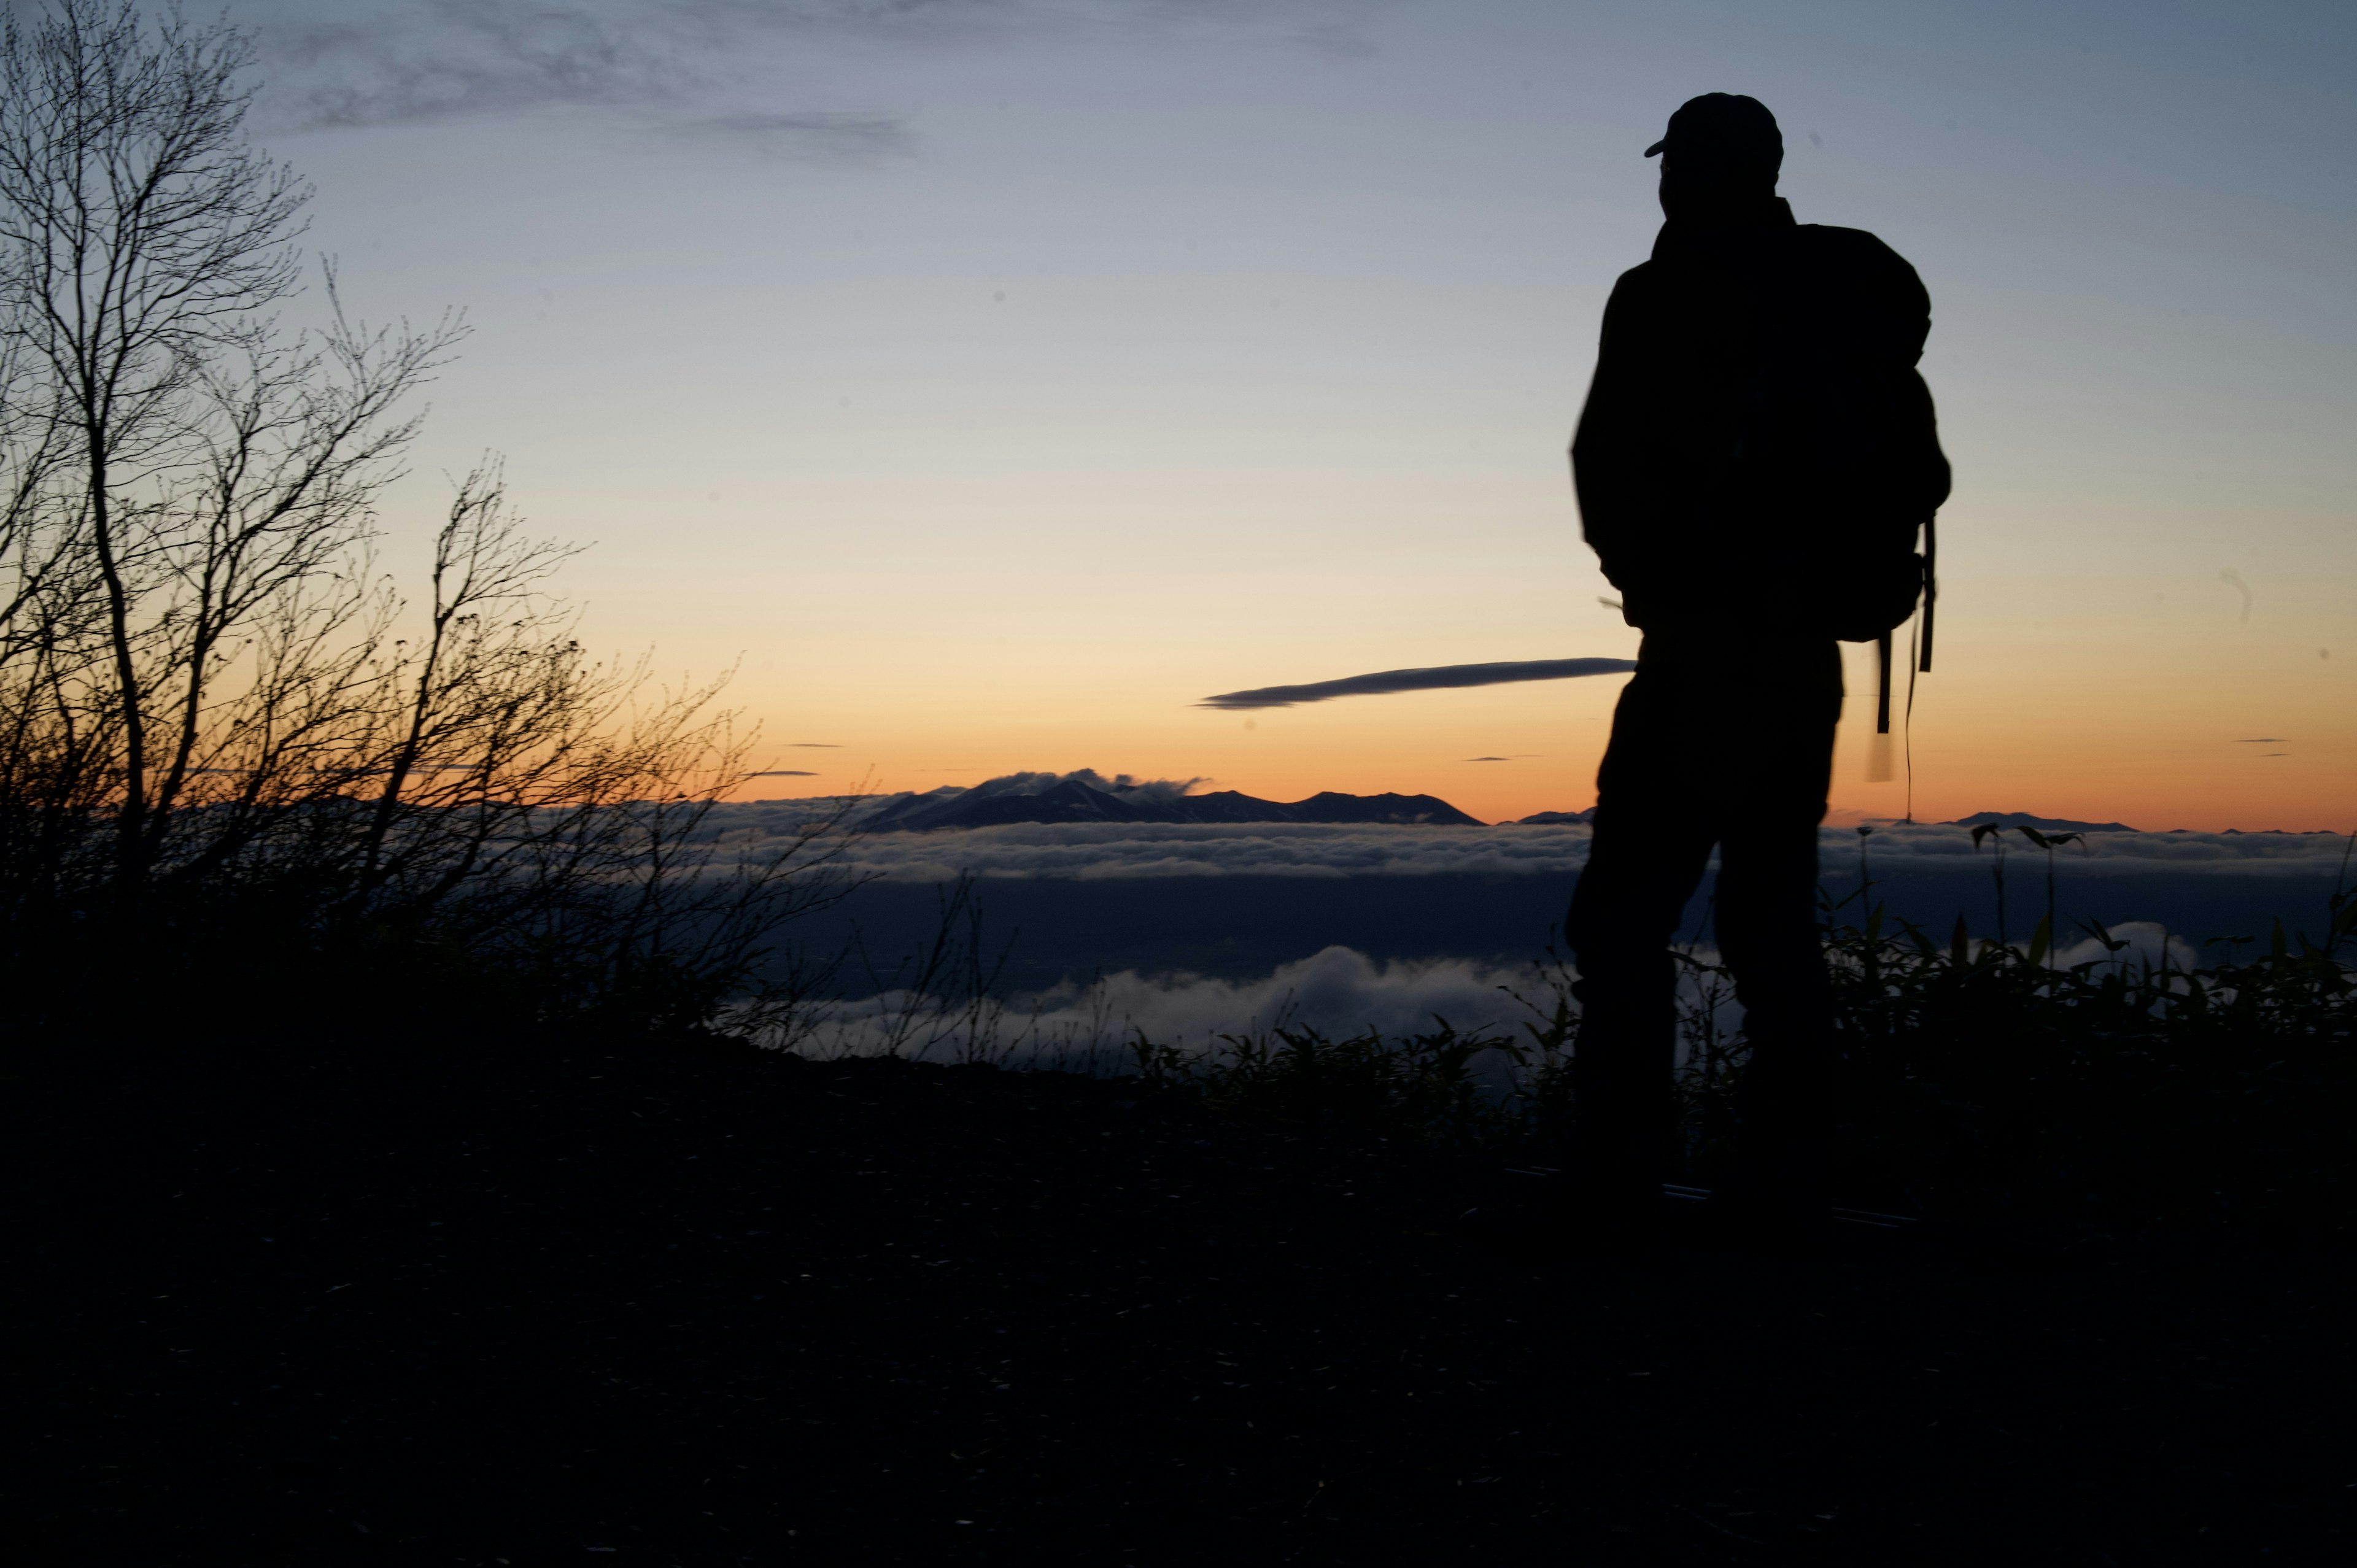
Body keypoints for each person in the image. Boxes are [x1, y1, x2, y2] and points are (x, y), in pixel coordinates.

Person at [1563, 93, 1949, 1248]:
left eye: (1676, 167)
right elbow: (1918, 476)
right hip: (1806, 670)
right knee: (1772, 931)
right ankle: (1784, 1187)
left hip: (1697, 660)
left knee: (1625, 924)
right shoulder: (1844, 297)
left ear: (1684, 173)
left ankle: (1616, 1189)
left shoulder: (1663, 295)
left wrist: (1651, 575)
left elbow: (1607, 461)